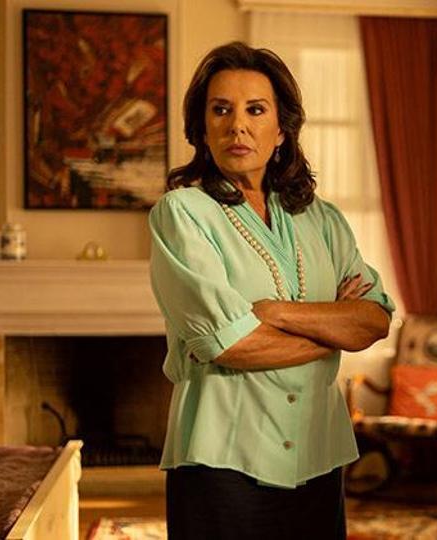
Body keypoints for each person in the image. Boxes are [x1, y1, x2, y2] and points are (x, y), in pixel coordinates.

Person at [148, 41, 395, 539]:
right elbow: (230, 344)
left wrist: (276, 312)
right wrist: (334, 331)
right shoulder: (183, 214)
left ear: (281, 129)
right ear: (202, 128)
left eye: (255, 110)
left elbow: (375, 320)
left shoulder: (323, 219)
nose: (237, 125)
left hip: (317, 454)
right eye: (221, 110)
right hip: (223, 462)